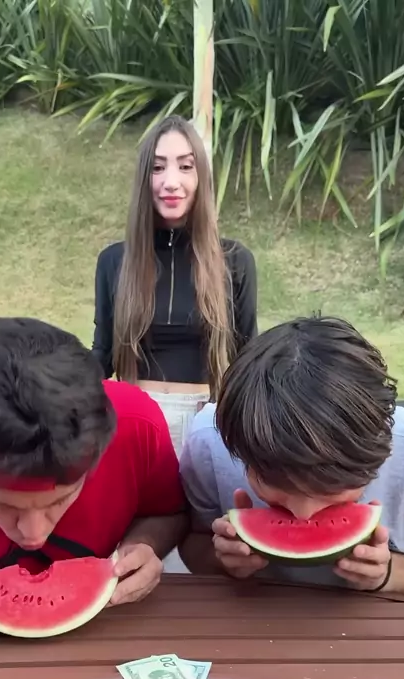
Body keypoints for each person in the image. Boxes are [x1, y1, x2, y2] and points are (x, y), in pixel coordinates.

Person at [0, 317, 187, 641]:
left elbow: (167, 513)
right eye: (2, 505)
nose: (34, 535)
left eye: (61, 499)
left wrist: (145, 544)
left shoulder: (137, 427)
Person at [178, 315, 404, 596]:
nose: (304, 514)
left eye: (331, 485)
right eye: (272, 481)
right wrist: (222, 561)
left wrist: (389, 575)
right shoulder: (210, 442)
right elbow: (193, 543)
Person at [92, 114, 257, 456]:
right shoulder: (114, 261)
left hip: (209, 426)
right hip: (132, 424)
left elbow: (250, 361)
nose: (170, 182)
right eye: (157, 168)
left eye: (185, 167)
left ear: (201, 177)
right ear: (144, 178)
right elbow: (102, 356)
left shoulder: (235, 261)